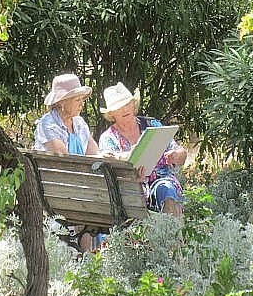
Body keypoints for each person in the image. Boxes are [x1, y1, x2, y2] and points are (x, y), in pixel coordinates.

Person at [98, 82, 187, 217]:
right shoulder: (108, 138)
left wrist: (178, 155)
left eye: (127, 104)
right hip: (129, 188)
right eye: (119, 107)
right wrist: (133, 175)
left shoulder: (152, 125)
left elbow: (178, 150)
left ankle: (172, 235)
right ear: (111, 114)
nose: (124, 109)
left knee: (167, 189)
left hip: (161, 180)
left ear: (133, 105)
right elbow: (111, 174)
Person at [34, 73, 98, 250]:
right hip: (57, 186)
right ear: (62, 101)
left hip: (80, 183)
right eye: (77, 99)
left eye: (81, 99)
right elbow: (64, 159)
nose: (81, 103)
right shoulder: (47, 124)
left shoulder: (79, 123)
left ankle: (86, 258)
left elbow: (94, 153)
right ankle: (85, 256)